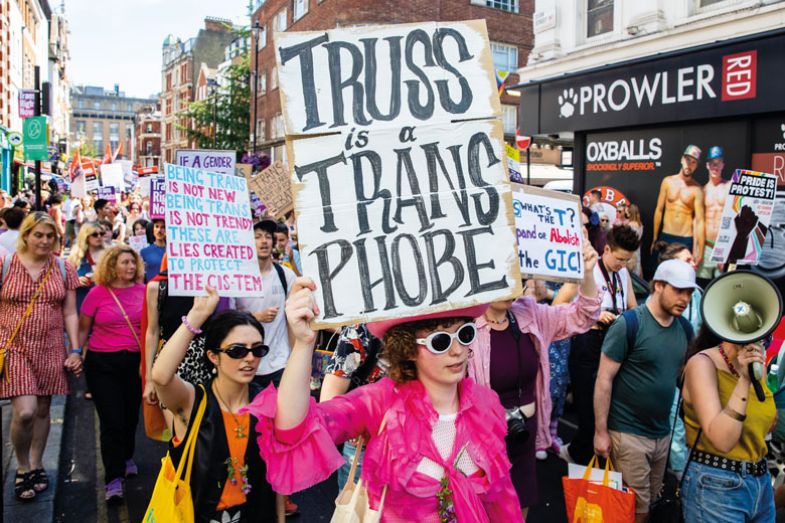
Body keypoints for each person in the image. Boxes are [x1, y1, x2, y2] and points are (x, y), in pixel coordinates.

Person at [245, 278, 524, 522]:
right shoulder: (379, 402)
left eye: (464, 334)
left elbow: (503, 500)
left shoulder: (485, 405)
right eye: (440, 341)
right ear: (408, 348)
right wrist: (304, 343)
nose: (457, 350)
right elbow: (292, 430)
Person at [467, 243, 600, 516]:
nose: (511, 287)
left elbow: (583, 316)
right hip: (480, 443)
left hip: (522, 437)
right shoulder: (464, 325)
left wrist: (587, 273)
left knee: (519, 511)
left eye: (517, 279)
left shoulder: (530, 314)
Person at [150, 288, 277, 522]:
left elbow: (276, 480)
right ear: (213, 356)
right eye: (237, 351)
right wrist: (196, 316)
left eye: (258, 349)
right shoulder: (193, 402)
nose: (250, 358)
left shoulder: (267, 402)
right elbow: (161, 377)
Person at [593, 259, 697, 522]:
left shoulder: (685, 329)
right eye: (679, 290)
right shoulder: (630, 324)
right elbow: (604, 379)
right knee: (634, 510)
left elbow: (683, 379)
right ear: (658, 285)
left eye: (689, 292)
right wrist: (601, 432)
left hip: (662, 434)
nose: (685, 299)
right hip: (627, 433)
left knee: (648, 503)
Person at [0, 212, 81, 501]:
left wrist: (75, 349)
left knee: (44, 409)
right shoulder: (5, 264)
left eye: (50, 236)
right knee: (25, 412)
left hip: (50, 348)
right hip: (14, 347)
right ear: (26, 235)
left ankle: (36, 464)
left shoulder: (63, 267)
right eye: (38, 235)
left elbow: (70, 312)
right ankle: (22, 466)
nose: (45, 241)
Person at [562, 224, 640, 465]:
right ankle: (578, 457)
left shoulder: (623, 274)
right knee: (587, 408)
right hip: (588, 341)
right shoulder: (588, 269)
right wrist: (594, 315)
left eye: (627, 260)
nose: (622, 265)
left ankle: (585, 455)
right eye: (619, 259)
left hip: (614, 344)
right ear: (606, 249)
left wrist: (623, 318)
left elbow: (633, 308)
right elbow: (559, 304)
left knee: (605, 408)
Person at [681, 326, 776, 522]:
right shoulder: (702, 364)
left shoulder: (758, 365)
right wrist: (744, 380)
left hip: (760, 481)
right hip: (716, 484)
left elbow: (766, 424)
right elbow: (723, 441)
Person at [77, 245, 145, 503]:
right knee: (111, 421)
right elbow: (83, 328)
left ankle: (126, 455)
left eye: (133, 262)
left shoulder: (144, 291)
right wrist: (75, 353)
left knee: (130, 417)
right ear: (111, 266)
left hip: (135, 364)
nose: (131, 267)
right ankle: (113, 479)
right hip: (102, 364)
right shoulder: (97, 293)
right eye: (125, 262)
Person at [320, 324, 386, 491]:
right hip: (366, 448)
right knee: (358, 505)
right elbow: (329, 403)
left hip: (425, 446)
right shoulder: (361, 329)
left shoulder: (436, 324)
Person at [235, 220, 296, 390]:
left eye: (268, 237)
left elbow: (292, 321)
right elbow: (228, 320)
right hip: (246, 364)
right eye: (258, 237)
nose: (264, 241)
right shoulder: (238, 278)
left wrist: (294, 358)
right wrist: (255, 317)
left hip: (280, 364)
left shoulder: (286, 276)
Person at [651, 145, 706, 265]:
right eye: (687, 160)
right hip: (666, 236)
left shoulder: (698, 190)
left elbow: (700, 221)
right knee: (662, 271)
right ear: (682, 159)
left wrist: (700, 250)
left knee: (682, 274)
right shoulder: (667, 181)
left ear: (696, 166)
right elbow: (659, 210)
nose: (689, 164)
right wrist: (655, 238)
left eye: (693, 162)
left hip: (685, 239)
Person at [698, 146, 730, 282]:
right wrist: (697, 251)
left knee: (722, 286)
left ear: (723, 165)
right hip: (706, 246)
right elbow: (698, 223)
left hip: (723, 246)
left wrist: (726, 251)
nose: (715, 167)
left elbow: (735, 219)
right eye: (712, 163)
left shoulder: (730, 187)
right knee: (702, 286)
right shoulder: (702, 191)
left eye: (718, 163)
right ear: (707, 165)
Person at [68, 223, 106, 311]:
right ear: (86, 236)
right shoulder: (76, 256)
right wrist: (76, 280)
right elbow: (64, 279)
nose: (99, 237)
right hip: (82, 299)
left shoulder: (109, 254)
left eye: (101, 234)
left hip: (104, 299)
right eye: (95, 234)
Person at [626, 204, 644, 277]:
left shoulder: (630, 225)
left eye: (627, 212)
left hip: (630, 248)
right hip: (637, 248)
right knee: (637, 265)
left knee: (631, 268)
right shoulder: (640, 225)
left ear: (630, 213)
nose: (626, 213)